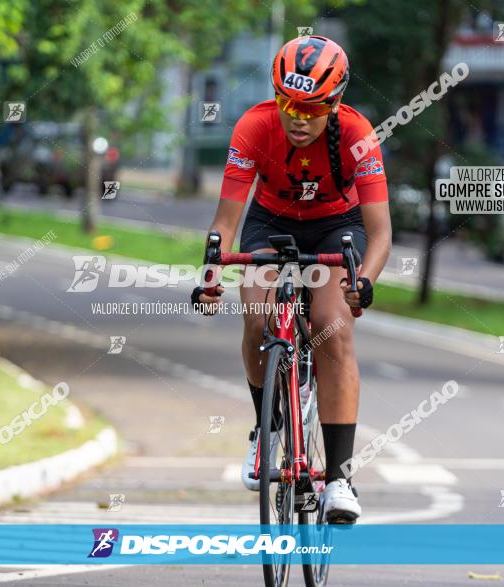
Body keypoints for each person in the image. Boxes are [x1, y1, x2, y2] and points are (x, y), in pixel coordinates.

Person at [191, 35, 392, 523]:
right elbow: (224, 225)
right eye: (287, 103)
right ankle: (266, 429)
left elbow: (381, 232)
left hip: (336, 226)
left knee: (331, 325)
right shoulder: (255, 127)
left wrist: (364, 279)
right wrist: (211, 272)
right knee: (258, 317)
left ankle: (340, 478)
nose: (297, 118)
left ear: (335, 102)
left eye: (312, 107)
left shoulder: (358, 133)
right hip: (272, 221)